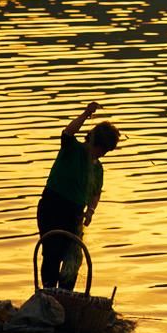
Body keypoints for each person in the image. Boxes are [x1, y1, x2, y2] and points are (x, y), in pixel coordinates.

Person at [37, 101, 119, 290]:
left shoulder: (97, 169)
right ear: (93, 142)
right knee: (52, 253)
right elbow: (68, 132)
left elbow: (95, 194)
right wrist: (85, 114)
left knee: (72, 257)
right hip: (52, 207)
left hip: (74, 215)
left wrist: (90, 211)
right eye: (101, 150)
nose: (102, 154)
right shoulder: (72, 149)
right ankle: (49, 293)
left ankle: (66, 296)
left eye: (106, 152)